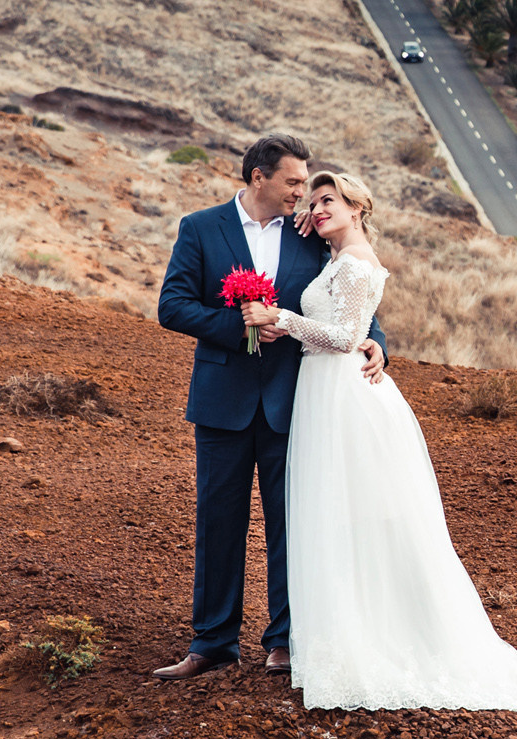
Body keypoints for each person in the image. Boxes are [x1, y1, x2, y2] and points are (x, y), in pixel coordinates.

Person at [243, 170, 517, 711]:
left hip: (341, 392)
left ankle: (376, 637)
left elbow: (344, 337)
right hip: (321, 390)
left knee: (354, 512)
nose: (317, 210)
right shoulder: (336, 256)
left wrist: (281, 318)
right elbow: (349, 325)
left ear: (358, 207)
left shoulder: (357, 261)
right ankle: (340, 631)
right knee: (332, 512)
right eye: (312, 203)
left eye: (329, 201)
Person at [153, 134, 388, 679]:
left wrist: (376, 339)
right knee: (218, 521)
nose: (302, 194)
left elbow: (350, 290)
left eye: (307, 184)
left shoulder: (312, 235)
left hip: (297, 400)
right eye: (293, 182)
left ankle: (283, 640)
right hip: (221, 399)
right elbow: (173, 306)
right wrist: (240, 326)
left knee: (292, 524)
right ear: (258, 176)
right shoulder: (201, 228)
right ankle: (211, 642)